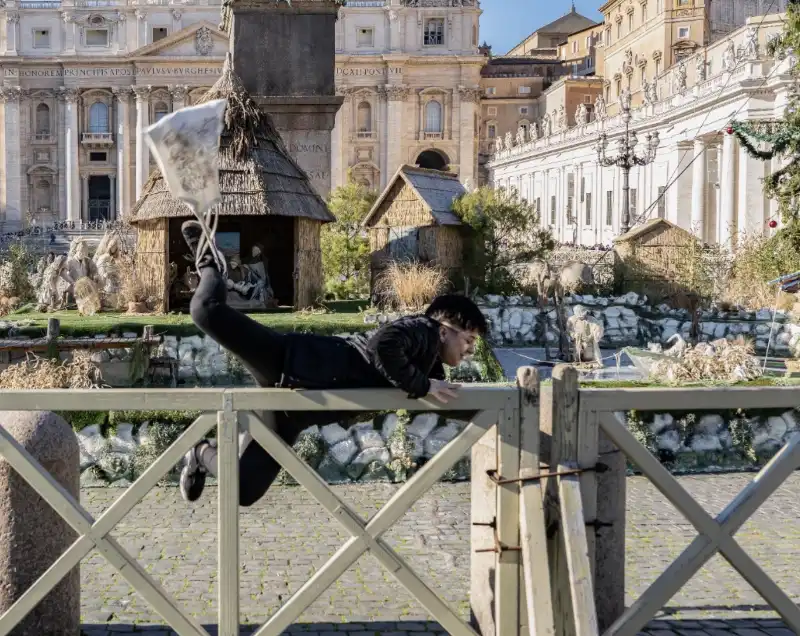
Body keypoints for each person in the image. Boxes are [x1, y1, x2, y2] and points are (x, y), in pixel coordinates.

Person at [178, 220, 487, 505]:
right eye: (469, 340)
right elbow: (383, 346)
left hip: (292, 412)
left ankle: (200, 452)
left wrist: (487, 411)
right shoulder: (423, 330)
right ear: (445, 330)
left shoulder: (428, 361)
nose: (469, 351)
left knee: (243, 491)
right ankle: (209, 261)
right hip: (288, 360)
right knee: (206, 310)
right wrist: (424, 385)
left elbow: (438, 393)